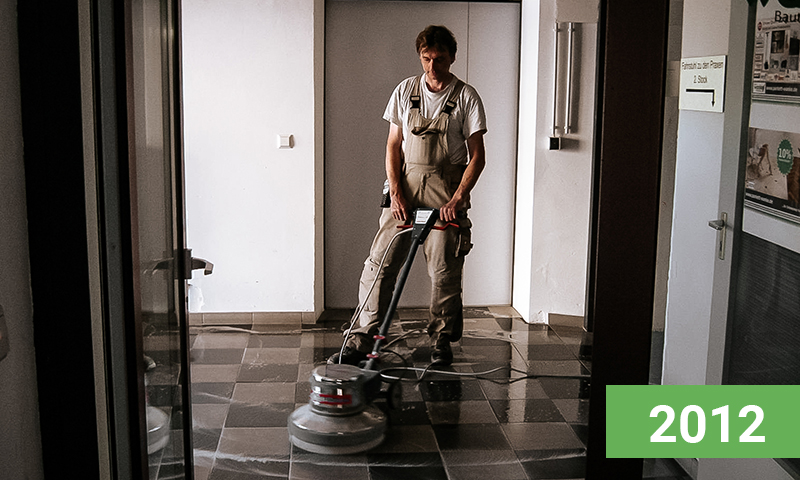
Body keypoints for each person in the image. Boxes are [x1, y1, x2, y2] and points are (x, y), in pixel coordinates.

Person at [329, 25, 487, 367]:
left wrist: (458, 199)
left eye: (440, 60)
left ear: (453, 57)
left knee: (444, 269)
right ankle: (362, 336)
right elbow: (392, 146)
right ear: (420, 56)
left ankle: (442, 338)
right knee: (380, 265)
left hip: (446, 191)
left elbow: (478, 156)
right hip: (406, 187)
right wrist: (397, 193)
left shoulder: (466, 98)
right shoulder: (405, 91)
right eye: (427, 59)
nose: (433, 67)